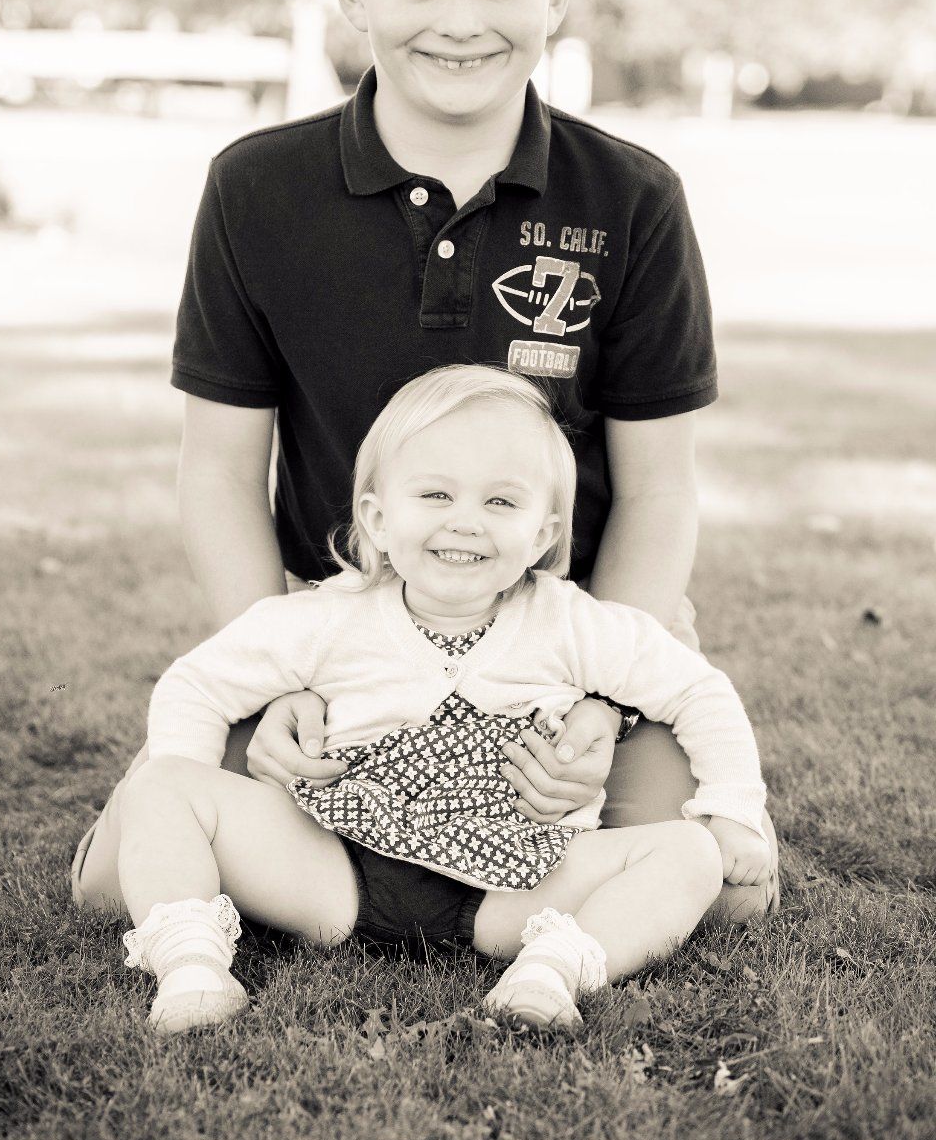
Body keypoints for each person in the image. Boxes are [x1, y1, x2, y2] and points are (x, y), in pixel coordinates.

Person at [72, 0, 779, 922]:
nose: (459, 21)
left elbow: (657, 488)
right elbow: (218, 470)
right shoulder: (256, 189)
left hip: (570, 630)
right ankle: (346, 867)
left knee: (727, 894)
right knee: (118, 879)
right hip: (338, 626)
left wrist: (594, 700)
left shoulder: (631, 198)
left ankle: (438, 875)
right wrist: (290, 672)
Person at [116, 366, 769, 1035]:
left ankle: (549, 972)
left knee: (690, 853)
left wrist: (733, 808)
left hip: (517, 887)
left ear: (542, 535)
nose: (465, 523)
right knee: (162, 784)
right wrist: (195, 792)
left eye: (501, 503)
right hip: (337, 866)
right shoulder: (328, 617)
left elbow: (698, 690)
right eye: (435, 495)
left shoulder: (572, 623)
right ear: (377, 519)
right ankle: (192, 967)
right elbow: (195, 685)